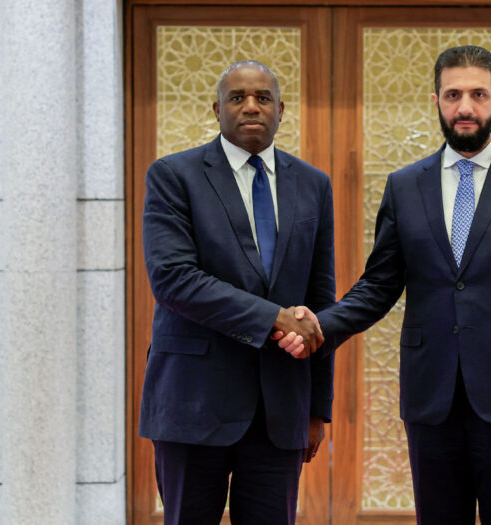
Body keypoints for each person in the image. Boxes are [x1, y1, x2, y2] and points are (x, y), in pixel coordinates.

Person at [278, 45, 491, 524]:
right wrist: (319, 326)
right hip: (431, 399)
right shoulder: (405, 186)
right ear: (436, 100)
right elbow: (378, 287)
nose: (466, 107)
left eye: (478, 94)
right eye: (454, 95)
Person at [140, 60, 335, 525]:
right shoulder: (174, 176)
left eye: (263, 98)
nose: (251, 107)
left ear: (281, 110)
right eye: (237, 98)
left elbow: (320, 302)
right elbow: (174, 279)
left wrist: (316, 409)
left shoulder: (313, 184)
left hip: (279, 411)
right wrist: (272, 318)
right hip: (192, 403)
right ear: (217, 109)